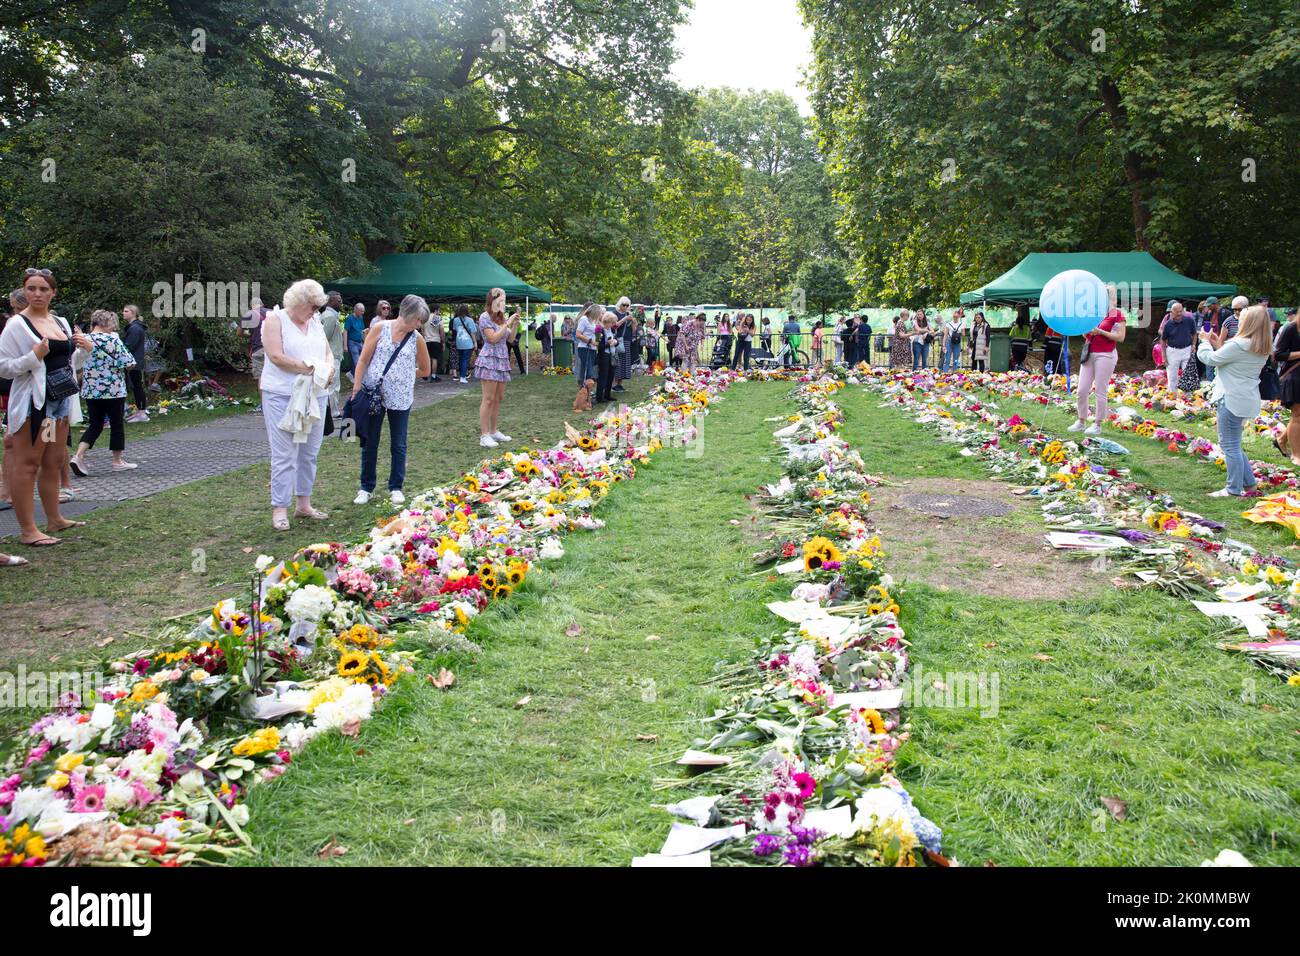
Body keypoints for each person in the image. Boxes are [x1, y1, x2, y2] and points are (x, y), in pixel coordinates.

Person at [0, 268, 92, 547]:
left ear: (53, 292)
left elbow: (67, 364)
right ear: (24, 291)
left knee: (52, 461)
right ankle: (28, 530)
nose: (37, 294)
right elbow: (4, 367)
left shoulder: (60, 321)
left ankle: (55, 519)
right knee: (27, 464)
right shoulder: (17, 325)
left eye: (43, 289)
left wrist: (84, 351)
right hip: (33, 406)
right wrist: (32, 356)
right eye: (31, 289)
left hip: (58, 403)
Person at [259, 279, 335, 531]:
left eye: (317, 308)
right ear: (300, 302)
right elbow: (276, 357)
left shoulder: (314, 322)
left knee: (309, 452)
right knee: (284, 455)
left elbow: (327, 352)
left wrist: (329, 368)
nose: (316, 312)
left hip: (314, 394)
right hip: (282, 394)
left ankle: (304, 504)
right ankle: (279, 508)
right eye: (313, 306)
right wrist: (312, 369)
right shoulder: (274, 320)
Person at [351, 294, 431, 505]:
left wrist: (404, 375)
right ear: (409, 315)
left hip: (401, 397)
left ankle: (396, 486)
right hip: (373, 395)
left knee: (398, 443)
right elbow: (363, 360)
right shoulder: (380, 328)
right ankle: (366, 487)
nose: (420, 324)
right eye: (419, 320)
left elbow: (425, 370)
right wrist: (357, 388)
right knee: (370, 442)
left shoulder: (417, 339)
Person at [1195, 306, 1271, 497]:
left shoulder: (1239, 344)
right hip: (1245, 397)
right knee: (1234, 444)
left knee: (1229, 445)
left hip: (1230, 397)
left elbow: (1210, 359)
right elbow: (1231, 359)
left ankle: (1233, 489)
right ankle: (1250, 484)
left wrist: (1204, 342)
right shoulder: (1260, 345)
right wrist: (1215, 342)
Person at [70, 310, 137, 476]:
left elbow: (77, 364)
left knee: (95, 425)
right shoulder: (113, 339)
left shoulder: (83, 340)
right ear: (106, 323)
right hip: (114, 389)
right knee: (116, 424)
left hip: (91, 390)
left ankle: (78, 455)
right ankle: (117, 460)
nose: (113, 327)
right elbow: (129, 362)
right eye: (112, 323)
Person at [1068, 294, 1126, 434]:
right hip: (1089, 353)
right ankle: (1081, 421)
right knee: (1082, 390)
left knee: (1100, 390)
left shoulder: (1116, 314)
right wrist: (1086, 331)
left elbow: (1120, 337)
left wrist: (1100, 331)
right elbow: (1085, 334)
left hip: (1106, 354)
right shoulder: (1092, 312)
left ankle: (1097, 424)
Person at [476, 288, 518, 447]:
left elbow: (511, 339)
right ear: (493, 300)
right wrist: (507, 323)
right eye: (502, 300)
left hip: (502, 360)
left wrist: (514, 325)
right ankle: (484, 435)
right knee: (488, 399)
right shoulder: (484, 317)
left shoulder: (501, 318)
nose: (504, 303)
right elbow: (492, 338)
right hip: (489, 359)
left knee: (498, 399)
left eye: (505, 300)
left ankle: (493, 431)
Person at [1272, 306, 1300, 466]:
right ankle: (1296, 455)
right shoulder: (1291, 328)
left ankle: (1281, 439)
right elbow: (1279, 354)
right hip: (1294, 376)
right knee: (1297, 415)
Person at [121, 304, 150, 422]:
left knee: (137, 387)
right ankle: (140, 411)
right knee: (137, 386)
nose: (123, 313)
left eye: (126, 311)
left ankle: (142, 413)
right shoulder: (135, 327)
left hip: (133, 362)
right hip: (135, 361)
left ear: (133, 313)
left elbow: (129, 346)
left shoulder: (135, 328)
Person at [1160, 300, 1197, 391]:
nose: (1180, 313)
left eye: (1181, 311)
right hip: (1173, 351)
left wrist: (1193, 345)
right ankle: (1172, 397)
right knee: (1172, 376)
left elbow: (1194, 334)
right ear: (1172, 312)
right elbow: (1163, 340)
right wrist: (1164, 356)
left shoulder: (1189, 320)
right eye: (1177, 312)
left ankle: (1188, 397)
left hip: (1187, 349)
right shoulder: (1167, 324)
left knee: (1188, 375)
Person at [318, 291, 345, 412]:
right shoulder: (329, 316)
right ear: (330, 301)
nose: (341, 303)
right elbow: (324, 338)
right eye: (338, 301)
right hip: (331, 356)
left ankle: (330, 411)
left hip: (334, 355)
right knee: (333, 385)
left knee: (332, 384)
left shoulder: (331, 315)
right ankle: (333, 412)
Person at [450, 304, 477, 384]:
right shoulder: (470, 320)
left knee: (461, 359)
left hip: (459, 342)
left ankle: (462, 376)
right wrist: (475, 342)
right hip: (468, 343)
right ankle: (462, 377)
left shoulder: (455, 320)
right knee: (465, 360)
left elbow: (455, 329)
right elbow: (472, 332)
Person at [574, 302, 599, 386]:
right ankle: (584, 388)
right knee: (587, 371)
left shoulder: (592, 321)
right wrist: (590, 341)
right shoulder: (584, 319)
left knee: (589, 370)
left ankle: (587, 389)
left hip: (592, 348)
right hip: (585, 348)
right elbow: (578, 334)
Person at [244, 297, 268, 383]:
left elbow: (239, 333)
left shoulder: (249, 314)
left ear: (251, 306)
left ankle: (263, 396)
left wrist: (249, 334)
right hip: (273, 349)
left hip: (258, 349)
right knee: (275, 375)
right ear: (262, 304)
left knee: (261, 376)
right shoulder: (272, 312)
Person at [595, 308, 616, 403]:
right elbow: (599, 345)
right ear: (607, 321)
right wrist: (608, 344)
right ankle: (599, 396)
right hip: (604, 355)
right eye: (612, 322)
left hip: (612, 355)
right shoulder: (600, 330)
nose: (613, 324)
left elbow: (615, 341)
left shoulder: (611, 330)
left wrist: (616, 342)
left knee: (611, 375)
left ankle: (607, 395)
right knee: (603, 376)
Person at [421, 306, 443, 382]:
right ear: (436, 310)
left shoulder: (425, 318)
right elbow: (441, 330)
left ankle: (426, 374)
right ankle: (433, 376)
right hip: (435, 340)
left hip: (426, 340)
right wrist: (443, 340)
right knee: (434, 359)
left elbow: (422, 330)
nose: (439, 312)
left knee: (427, 358)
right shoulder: (437, 318)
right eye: (439, 310)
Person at [344, 303, 367, 374]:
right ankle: (358, 379)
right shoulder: (350, 318)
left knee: (362, 360)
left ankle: (352, 375)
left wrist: (365, 342)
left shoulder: (361, 317)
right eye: (361, 311)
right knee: (357, 362)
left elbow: (362, 331)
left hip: (360, 342)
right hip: (352, 343)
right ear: (356, 310)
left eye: (363, 311)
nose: (362, 313)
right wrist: (345, 345)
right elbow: (345, 331)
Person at [1009, 306, 1033, 371]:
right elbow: (1030, 340)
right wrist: (1031, 349)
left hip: (1015, 348)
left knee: (1016, 361)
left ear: (1016, 322)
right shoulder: (1027, 328)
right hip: (1023, 349)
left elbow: (1010, 338)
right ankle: (1021, 371)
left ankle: (1016, 371)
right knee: (1021, 361)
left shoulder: (1014, 328)